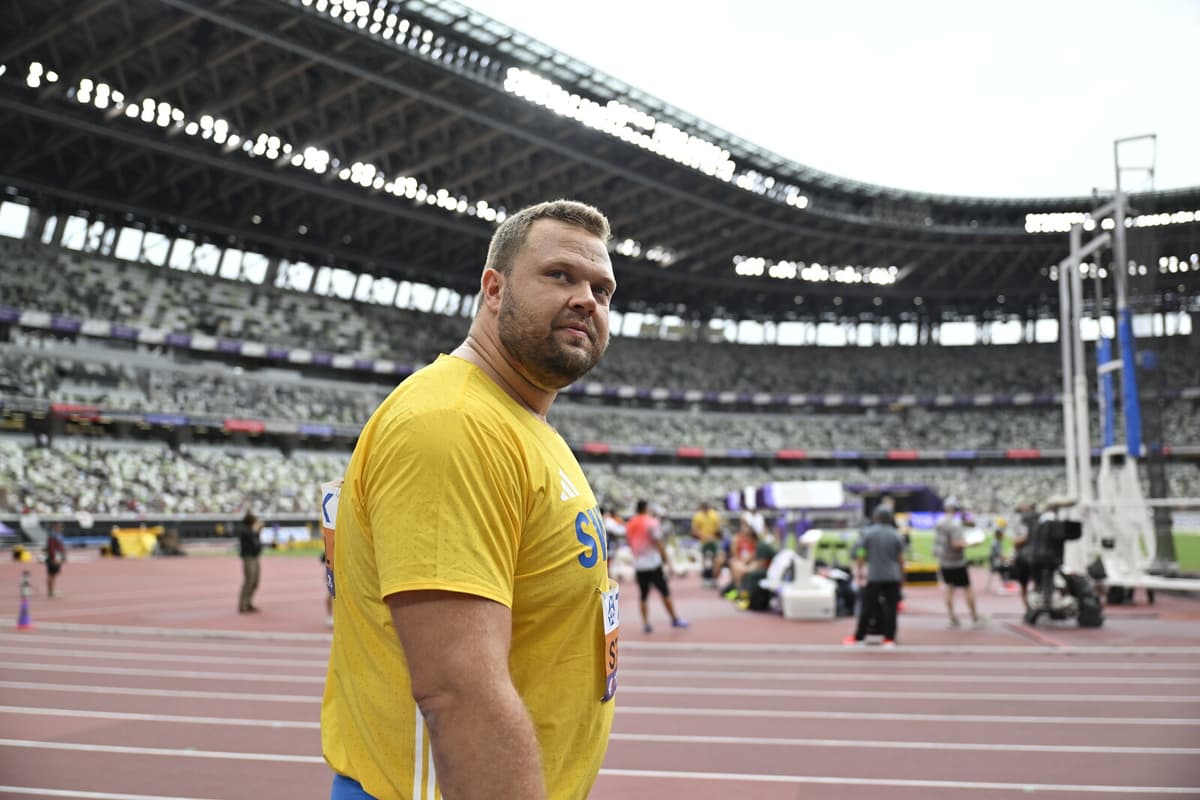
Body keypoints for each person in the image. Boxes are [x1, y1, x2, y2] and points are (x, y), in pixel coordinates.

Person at [321, 200, 619, 800]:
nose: (588, 298)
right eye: (560, 275)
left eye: (603, 289)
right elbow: (459, 691)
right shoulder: (453, 424)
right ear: (493, 288)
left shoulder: (519, 423)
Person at [843, 507, 905, 646]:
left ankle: (859, 637)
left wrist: (859, 571)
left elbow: (860, 553)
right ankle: (889, 638)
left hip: (874, 576)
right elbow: (901, 559)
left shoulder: (868, 533)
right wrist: (902, 575)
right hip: (892, 576)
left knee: (867, 607)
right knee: (891, 609)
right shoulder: (896, 534)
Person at [625, 499, 689, 633]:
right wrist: (667, 561)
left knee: (643, 595)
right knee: (665, 592)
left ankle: (646, 624)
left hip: (639, 565)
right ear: (646, 508)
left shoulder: (630, 523)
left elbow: (630, 542)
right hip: (653, 564)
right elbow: (658, 542)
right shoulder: (650, 522)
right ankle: (674, 619)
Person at [934, 498, 984, 628]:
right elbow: (955, 544)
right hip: (956, 562)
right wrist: (972, 543)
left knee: (949, 589)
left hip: (944, 561)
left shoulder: (940, 522)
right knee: (967, 588)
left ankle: (952, 618)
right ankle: (974, 617)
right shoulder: (955, 524)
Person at [690, 500, 722, 587]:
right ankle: (705, 578)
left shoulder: (714, 515)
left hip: (714, 541)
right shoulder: (698, 516)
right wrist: (704, 536)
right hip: (703, 542)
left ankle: (715, 579)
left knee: (715, 560)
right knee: (704, 560)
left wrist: (712, 537)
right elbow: (694, 530)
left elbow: (718, 528)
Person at [236, 511, 263, 613]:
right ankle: (243, 605)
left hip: (255, 557)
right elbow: (250, 537)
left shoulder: (252, 530)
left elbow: (257, 541)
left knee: (255, 582)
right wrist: (255, 530)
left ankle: (249, 602)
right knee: (249, 581)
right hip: (248, 558)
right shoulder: (244, 529)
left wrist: (257, 531)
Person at [44, 523, 66, 598]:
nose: (61, 528)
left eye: (61, 527)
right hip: (53, 558)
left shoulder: (58, 536)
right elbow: (52, 549)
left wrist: (63, 557)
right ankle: (50, 592)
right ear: (55, 528)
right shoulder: (53, 536)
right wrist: (55, 559)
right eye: (59, 527)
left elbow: (61, 547)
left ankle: (51, 591)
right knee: (51, 575)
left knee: (53, 575)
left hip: (56, 557)